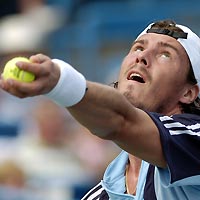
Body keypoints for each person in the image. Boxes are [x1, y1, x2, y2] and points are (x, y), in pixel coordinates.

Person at [0, 19, 200, 199]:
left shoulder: (195, 139)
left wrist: (60, 83)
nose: (142, 57)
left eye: (165, 54)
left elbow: (121, 122)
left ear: (189, 93)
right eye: (138, 48)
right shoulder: (99, 196)